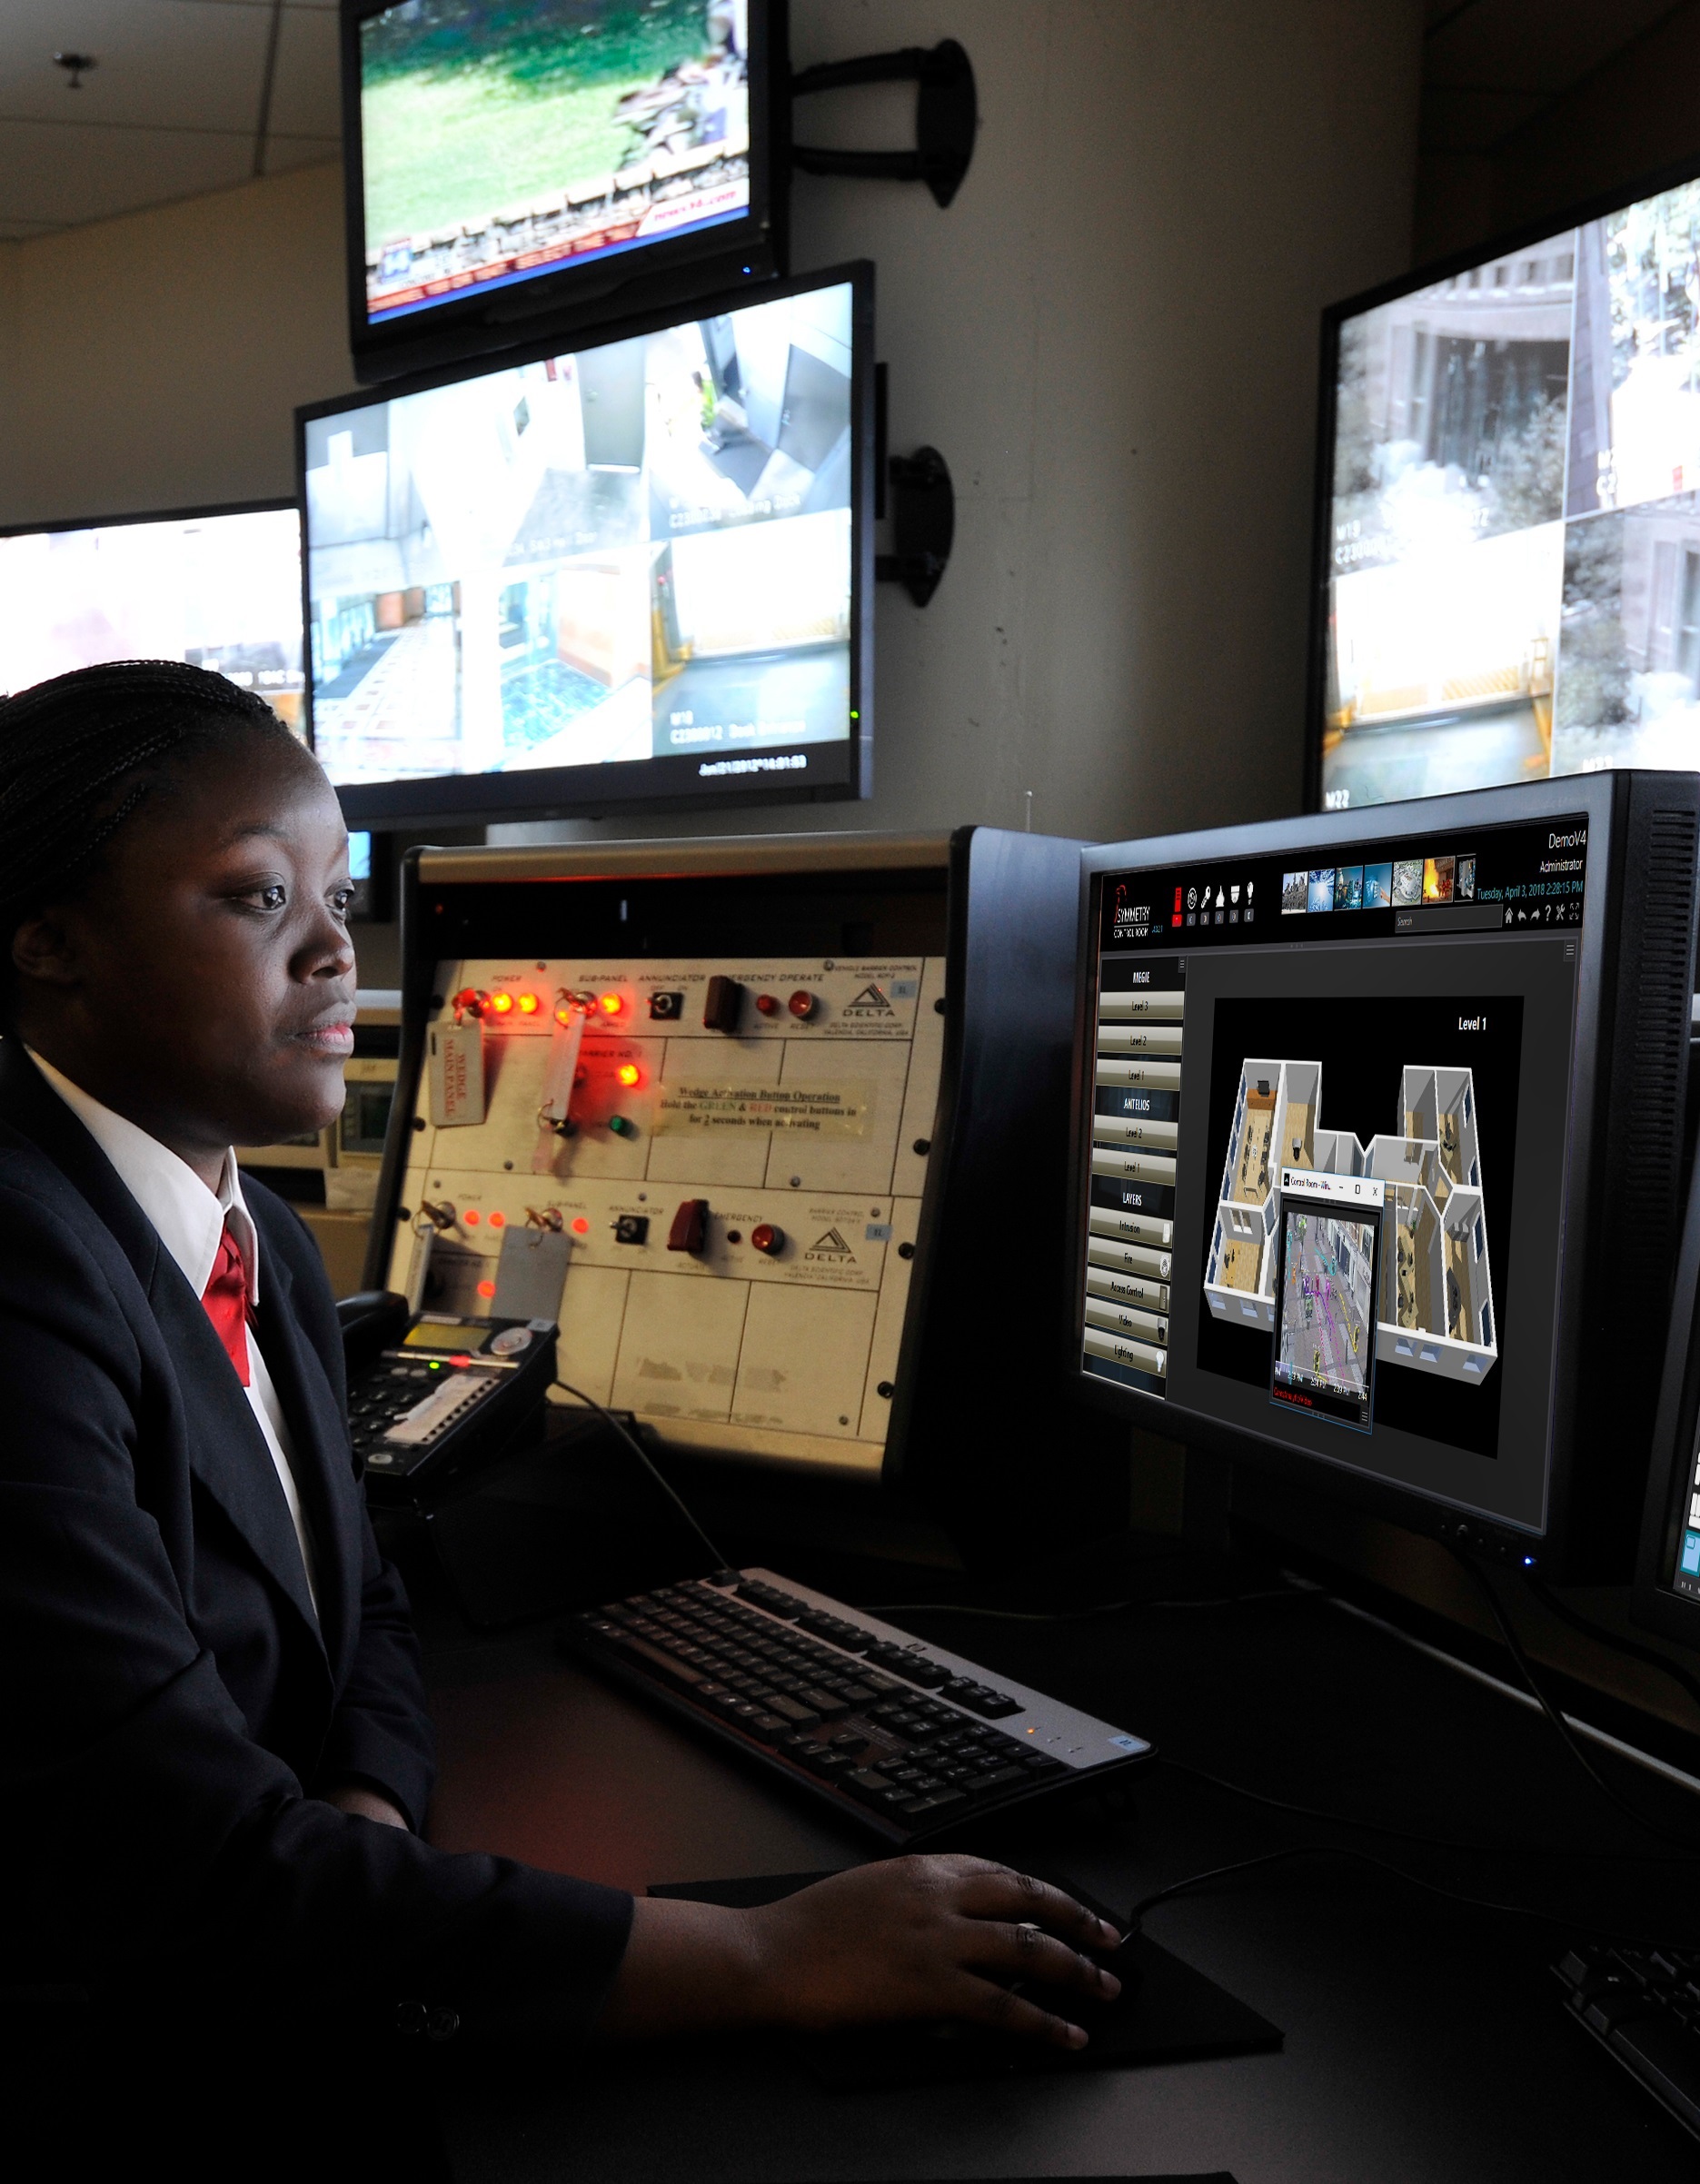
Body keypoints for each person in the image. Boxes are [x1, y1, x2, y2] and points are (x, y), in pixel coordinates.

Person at [0, 661, 1120, 2076]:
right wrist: (761, 1956)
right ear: (49, 940)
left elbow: (367, 1608)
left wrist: (363, 1822)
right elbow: (189, 1877)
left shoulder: (259, 1240)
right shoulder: (25, 1282)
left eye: (340, 899)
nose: (337, 952)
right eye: (254, 896)